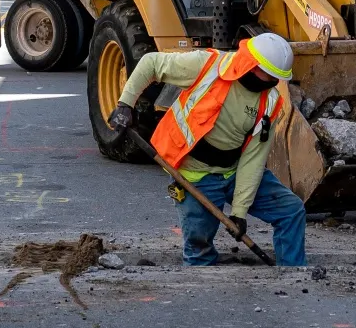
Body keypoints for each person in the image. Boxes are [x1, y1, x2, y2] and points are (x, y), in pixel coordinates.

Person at [107, 31, 308, 267]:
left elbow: (253, 160)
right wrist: (125, 104)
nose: (273, 82)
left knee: (291, 210)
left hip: (234, 170)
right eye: (269, 75)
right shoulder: (207, 66)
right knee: (199, 244)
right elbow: (151, 63)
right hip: (195, 174)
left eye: (277, 78)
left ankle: (293, 274)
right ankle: (202, 288)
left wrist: (239, 213)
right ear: (250, 64)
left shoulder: (271, 101)